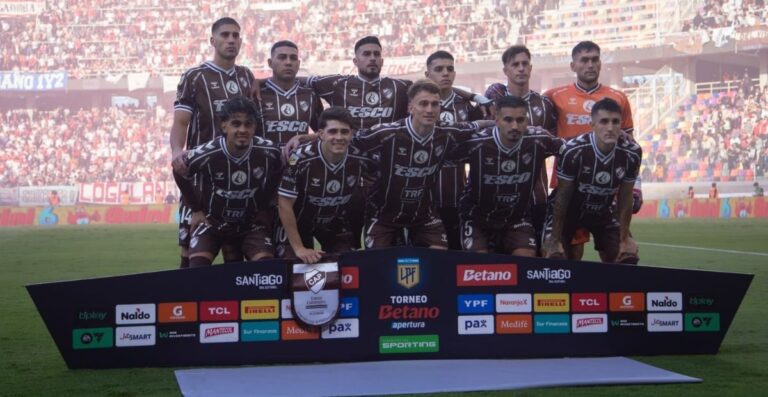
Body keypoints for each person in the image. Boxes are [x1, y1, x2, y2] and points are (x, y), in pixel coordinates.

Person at [286, 79, 493, 249]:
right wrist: (311, 137)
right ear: (410, 107)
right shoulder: (386, 133)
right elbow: (348, 135)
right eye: (423, 104)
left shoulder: (449, 131)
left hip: (424, 214)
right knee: (378, 266)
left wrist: (500, 121)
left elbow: (479, 125)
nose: (429, 109)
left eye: (435, 104)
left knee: (438, 262)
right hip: (383, 214)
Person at [169, 17, 256, 268]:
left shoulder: (246, 76)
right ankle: (183, 305)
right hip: (200, 181)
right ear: (212, 40)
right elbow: (181, 121)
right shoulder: (195, 77)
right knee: (189, 252)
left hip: (235, 179)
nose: (231, 40)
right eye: (225, 35)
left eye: (236, 35)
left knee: (235, 254)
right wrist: (177, 151)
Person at [543, 40, 640, 260]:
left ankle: (613, 294)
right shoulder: (553, 96)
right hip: (567, 188)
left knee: (618, 255)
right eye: (584, 60)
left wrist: (637, 187)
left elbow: (629, 145)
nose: (590, 65)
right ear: (573, 65)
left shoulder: (618, 98)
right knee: (571, 256)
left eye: (595, 59)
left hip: (605, 189)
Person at [173, 97, 282, 267]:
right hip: (212, 223)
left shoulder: (269, 151)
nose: (242, 130)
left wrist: (263, 208)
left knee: (266, 269)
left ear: (255, 127)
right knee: (195, 270)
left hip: (250, 225)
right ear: (224, 126)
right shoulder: (207, 153)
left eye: (248, 124)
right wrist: (196, 209)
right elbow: (178, 170)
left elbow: (279, 170)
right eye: (236, 124)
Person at [449, 96, 563, 256]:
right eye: (508, 120)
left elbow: (572, 151)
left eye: (520, 120)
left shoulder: (539, 140)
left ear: (527, 120)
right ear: (496, 120)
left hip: (517, 217)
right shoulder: (477, 143)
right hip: (477, 217)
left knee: (526, 262)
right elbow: (441, 155)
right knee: (478, 271)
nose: (515, 126)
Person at [484, 45, 557, 254]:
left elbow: (553, 144)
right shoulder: (491, 102)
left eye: (525, 64)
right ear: (506, 69)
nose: (521, 68)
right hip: (497, 198)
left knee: (539, 259)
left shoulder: (545, 105)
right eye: (515, 64)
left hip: (536, 197)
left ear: (531, 68)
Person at [277, 108, 371, 263]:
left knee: (349, 263)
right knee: (294, 267)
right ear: (321, 134)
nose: (339, 137)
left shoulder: (361, 156)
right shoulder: (300, 158)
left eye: (344, 132)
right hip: (299, 221)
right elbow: (284, 203)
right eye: (333, 131)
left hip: (334, 221)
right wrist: (299, 248)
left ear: (352, 133)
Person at [424, 50, 483, 250]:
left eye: (450, 69)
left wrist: (476, 97)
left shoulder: (467, 106)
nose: (445, 73)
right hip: (426, 200)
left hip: (459, 197)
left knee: (459, 257)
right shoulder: (417, 104)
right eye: (439, 69)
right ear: (427, 74)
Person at [256, 40, 323, 146]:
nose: (288, 62)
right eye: (282, 57)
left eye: (293, 58)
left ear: (299, 63)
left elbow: (324, 132)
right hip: (264, 160)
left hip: (298, 160)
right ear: (270, 63)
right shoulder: (257, 93)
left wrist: (303, 138)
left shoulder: (310, 95)